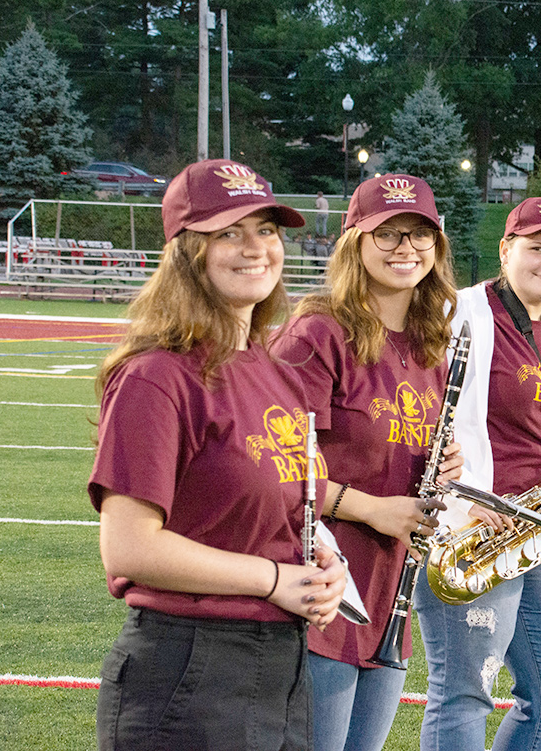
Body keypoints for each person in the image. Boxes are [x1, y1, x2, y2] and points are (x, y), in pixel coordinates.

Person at [89, 159, 346, 751]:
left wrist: (326, 568)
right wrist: (274, 579)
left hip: (280, 664)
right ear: (186, 251)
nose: (255, 248)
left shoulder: (274, 371)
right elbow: (130, 547)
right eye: (229, 232)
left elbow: (285, 510)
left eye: (267, 229)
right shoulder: (156, 376)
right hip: (189, 668)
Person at [272, 174, 463, 751]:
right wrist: (375, 509)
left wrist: (445, 466)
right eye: (388, 233)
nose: (406, 247)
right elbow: (273, 468)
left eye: (420, 233)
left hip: (389, 590)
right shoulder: (317, 333)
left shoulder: (431, 342)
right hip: (323, 584)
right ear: (355, 241)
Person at [413, 197, 541, 751]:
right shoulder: (458, 312)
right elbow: (420, 417)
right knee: (467, 690)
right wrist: (466, 501)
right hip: (475, 531)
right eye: (536, 248)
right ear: (505, 250)